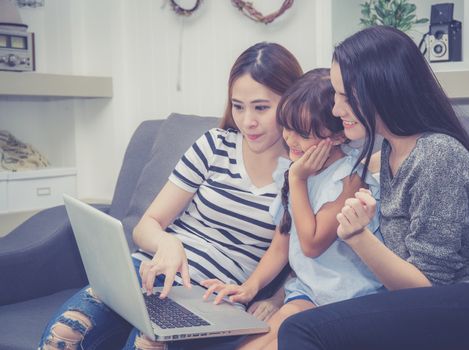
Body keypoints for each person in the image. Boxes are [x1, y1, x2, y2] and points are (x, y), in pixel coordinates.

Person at [38, 42, 303, 350]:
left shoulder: (300, 171)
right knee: (65, 332)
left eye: (261, 107)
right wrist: (167, 242)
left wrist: (276, 297)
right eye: (238, 106)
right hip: (146, 274)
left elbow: (306, 254)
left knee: (147, 345)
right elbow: (146, 225)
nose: (247, 122)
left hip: (210, 297)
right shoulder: (214, 145)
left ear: (290, 102)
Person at [277, 26, 469, 350]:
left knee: (301, 330)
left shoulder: (437, 155)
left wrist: (357, 236)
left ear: (383, 91)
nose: (336, 110)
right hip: (446, 297)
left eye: (345, 97)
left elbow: (427, 286)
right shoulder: (391, 153)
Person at [201, 68, 384, 350]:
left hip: (347, 298)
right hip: (308, 292)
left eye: (301, 133)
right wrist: (249, 287)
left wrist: (297, 179)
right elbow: (281, 243)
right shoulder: (294, 170)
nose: (289, 139)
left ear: (336, 136)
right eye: (286, 127)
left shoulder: (349, 179)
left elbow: (311, 244)